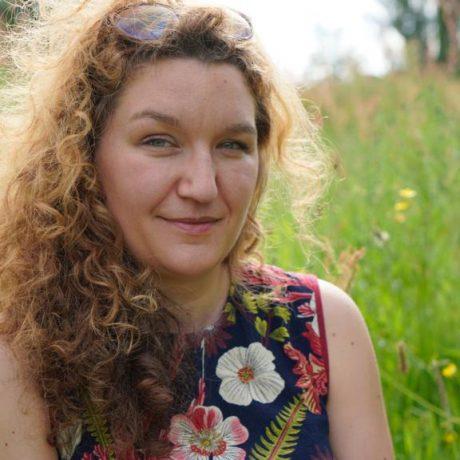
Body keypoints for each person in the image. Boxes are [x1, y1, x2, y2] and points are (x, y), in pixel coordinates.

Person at [0, 1, 394, 459]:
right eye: (159, 142)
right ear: (84, 158)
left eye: (232, 145)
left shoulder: (324, 327)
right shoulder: (23, 355)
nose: (203, 186)